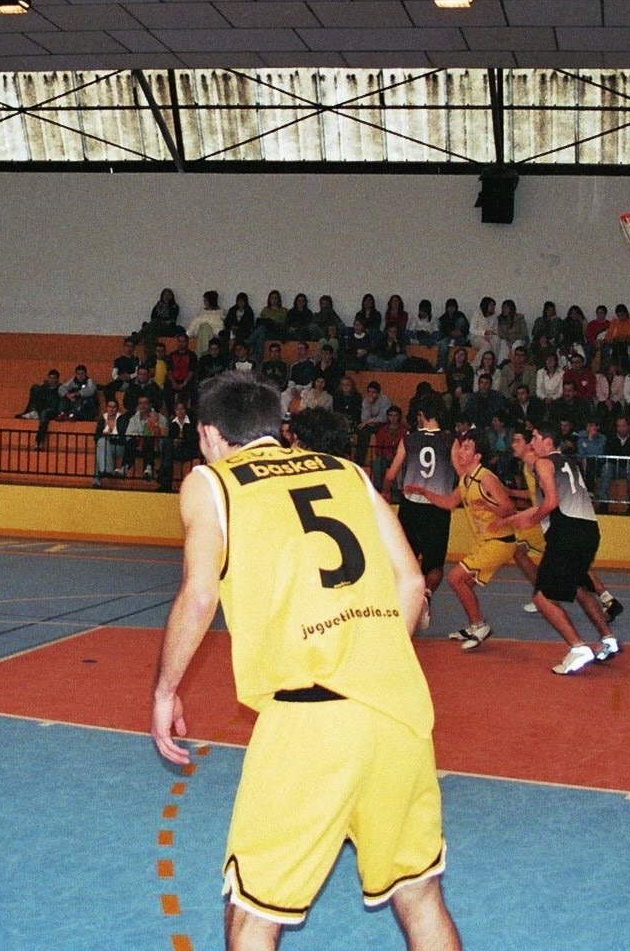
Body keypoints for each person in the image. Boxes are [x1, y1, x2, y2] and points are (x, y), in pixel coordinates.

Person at [151, 372, 462, 950]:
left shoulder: (210, 483)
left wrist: (166, 691)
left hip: (309, 721)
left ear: (210, 434)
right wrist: (372, 653)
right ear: (277, 426)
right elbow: (413, 582)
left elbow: (199, 595)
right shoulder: (349, 473)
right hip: (396, 711)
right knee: (420, 896)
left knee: (252, 912)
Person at [492, 427, 619, 674]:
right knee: (580, 588)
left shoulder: (543, 464)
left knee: (541, 598)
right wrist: (510, 520)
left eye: (535, 438)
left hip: (566, 532)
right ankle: (608, 639)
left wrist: (532, 520)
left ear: (548, 441)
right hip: (589, 530)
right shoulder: (568, 463)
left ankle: (577, 648)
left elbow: (550, 503)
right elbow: (544, 504)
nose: (532, 443)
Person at [405, 430, 528, 651]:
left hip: (500, 542)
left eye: (466, 447)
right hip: (486, 543)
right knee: (465, 584)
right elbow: (448, 502)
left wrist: (489, 506)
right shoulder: (466, 479)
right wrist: (423, 492)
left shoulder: (486, 478)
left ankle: (479, 625)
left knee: (455, 578)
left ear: (477, 456)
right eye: (461, 446)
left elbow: (509, 508)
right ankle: (474, 625)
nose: (461, 451)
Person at [383, 395, 457, 630]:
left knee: (405, 559)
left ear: (421, 415)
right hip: (438, 508)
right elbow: (463, 474)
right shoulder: (450, 441)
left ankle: (402, 607)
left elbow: (391, 474)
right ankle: (426, 594)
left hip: (411, 507)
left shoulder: (409, 439)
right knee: (434, 565)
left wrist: (386, 492)